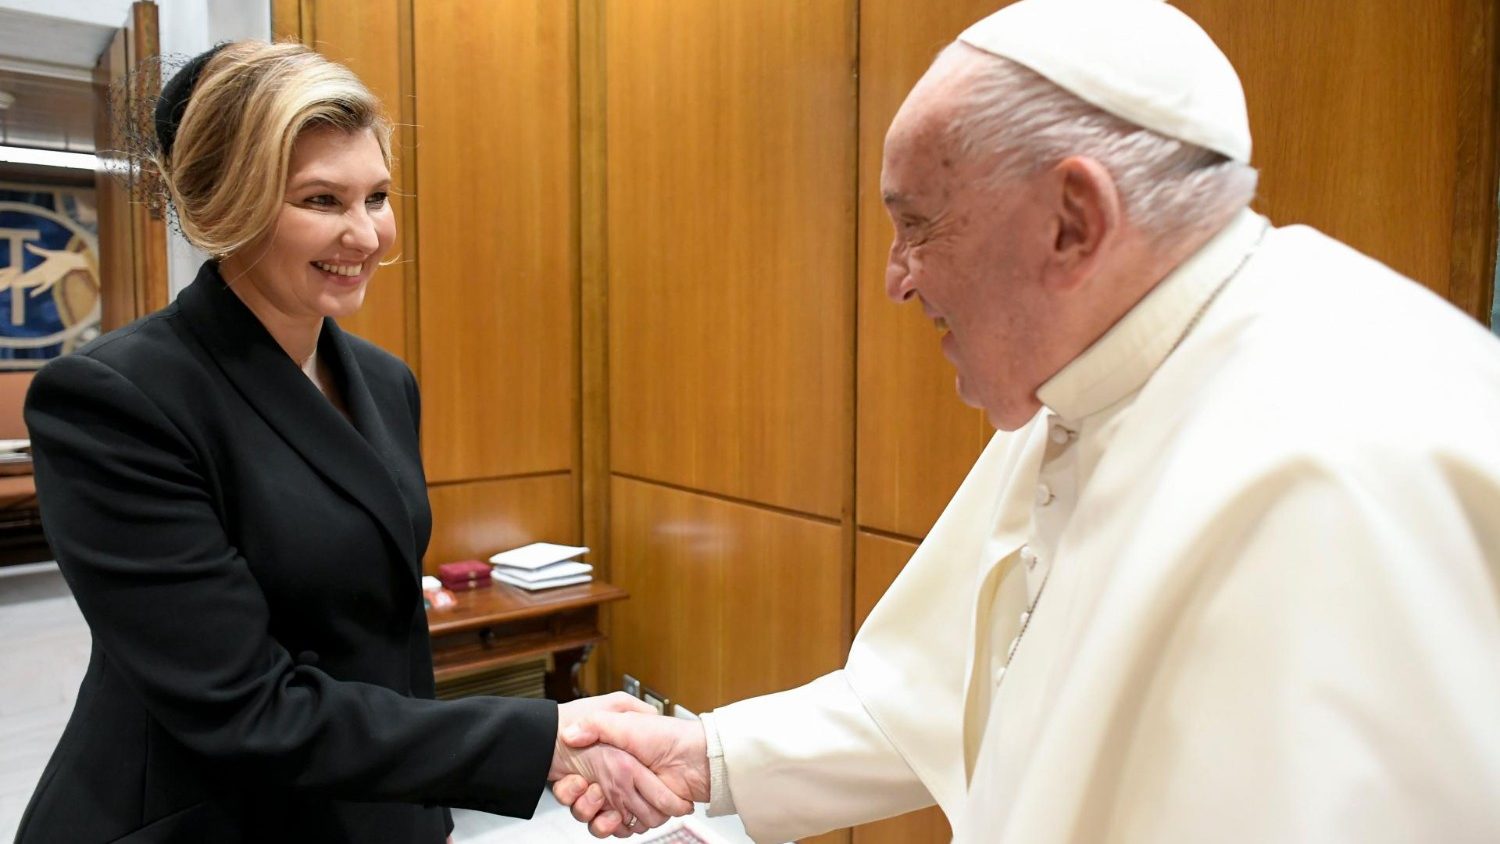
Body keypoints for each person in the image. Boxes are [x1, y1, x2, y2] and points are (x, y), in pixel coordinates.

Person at [554, 1, 1500, 840]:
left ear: (1073, 220)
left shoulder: (1343, 458)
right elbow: (938, 700)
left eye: (917, 224)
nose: (896, 278)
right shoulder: (1090, 385)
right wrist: (708, 756)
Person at [15, 41, 688, 843]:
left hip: (369, 803)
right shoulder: (116, 399)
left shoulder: (381, 379)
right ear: (231, 206)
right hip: (208, 816)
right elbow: (241, 704)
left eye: (376, 196)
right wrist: (544, 742)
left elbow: (382, 636)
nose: (366, 235)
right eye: (322, 200)